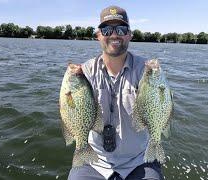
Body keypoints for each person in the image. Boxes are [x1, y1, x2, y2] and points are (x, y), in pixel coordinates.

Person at [68, 5, 164, 180]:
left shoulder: (146, 70)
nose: (114, 35)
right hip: (93, 161)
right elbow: (70, 110)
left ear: (129, 35)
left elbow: (161, 107)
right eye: (106, 29)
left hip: (140, 160)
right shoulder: (85, 72)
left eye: (121, 29)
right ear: (98, 35)